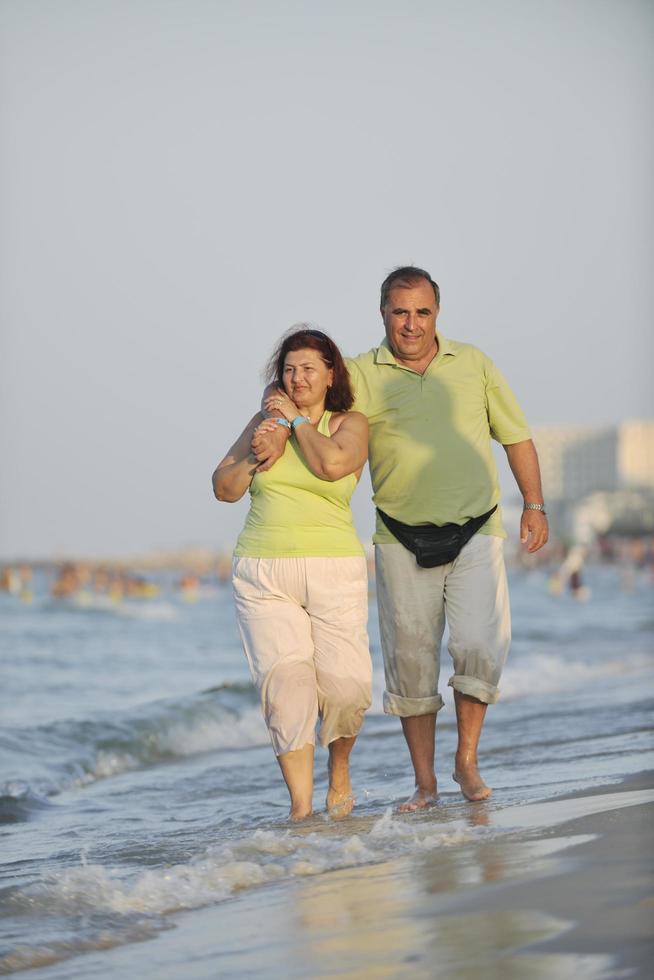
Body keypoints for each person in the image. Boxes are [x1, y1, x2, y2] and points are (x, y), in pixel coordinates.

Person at [252, 267, 548, 811]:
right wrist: (279, 405)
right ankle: (425, 783)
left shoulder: (474, 363)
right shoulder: (362, 374)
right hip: (398, 536)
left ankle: (466, 760)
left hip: (477, 526)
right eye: (400, 312)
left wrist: (533, 503)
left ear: (438, 313)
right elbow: (299, 378)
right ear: (383, 313)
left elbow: (516, 434)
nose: (411, 324)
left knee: (480, 647)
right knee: (410, 664)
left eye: (422, 312)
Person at [212, 327, 372, 821]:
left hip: (335, 567)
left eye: (308, 368)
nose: (297, 377)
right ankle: (300, 810)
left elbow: (332, 465)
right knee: (286, 690)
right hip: (263, 569)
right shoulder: (264, 422)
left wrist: (294, 421)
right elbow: (224, 487)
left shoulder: (351, 423)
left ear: (330, 375)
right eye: (289, 370)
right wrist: (259, 452)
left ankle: (339, 771)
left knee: (347, 689)